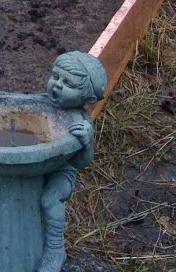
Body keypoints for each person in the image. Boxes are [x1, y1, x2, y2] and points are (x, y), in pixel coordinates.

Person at [37, 51, 107, 272]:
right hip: (38, 164)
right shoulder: (43, 103)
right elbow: (9, 99)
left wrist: (87, 142)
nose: (56, 85)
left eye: (67, 83)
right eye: (56, 77)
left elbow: (81, 164)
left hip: (62, 171)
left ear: (87, 99)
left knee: (49, 200)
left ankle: (55, 249)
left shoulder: (81, 123)